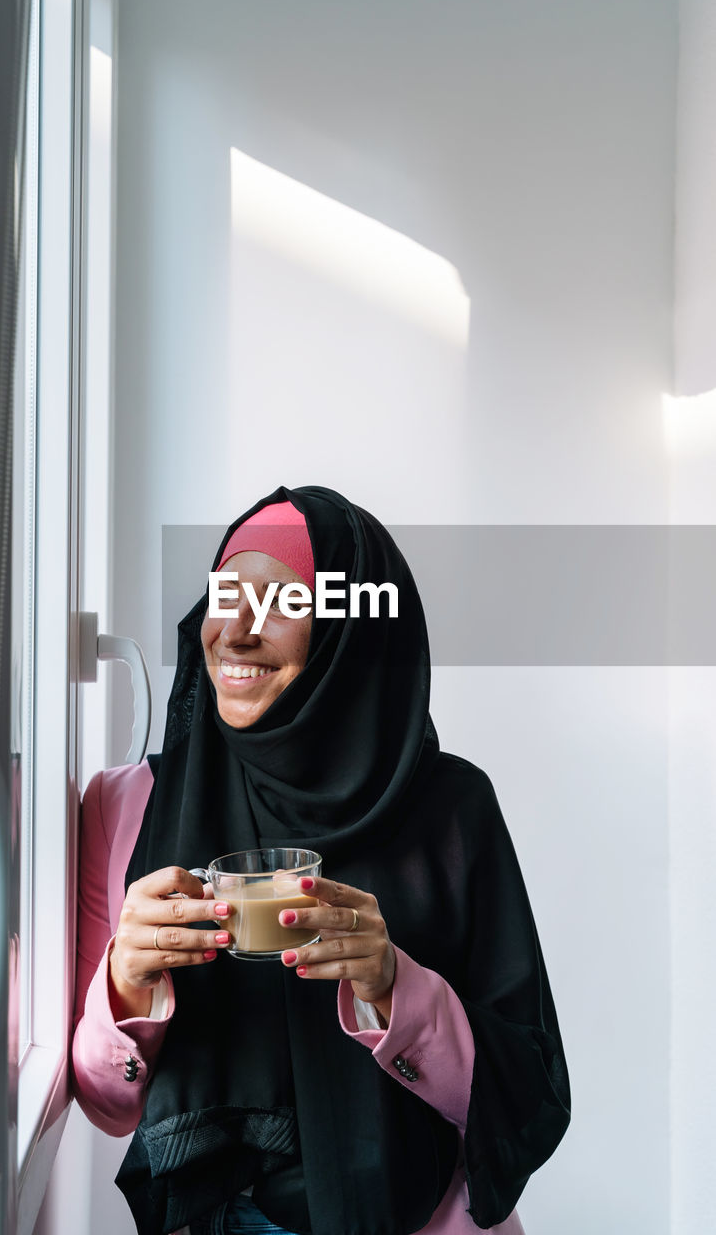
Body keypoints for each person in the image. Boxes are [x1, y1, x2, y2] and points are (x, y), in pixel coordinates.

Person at [71, 486, 570, 1235]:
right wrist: (125, 984)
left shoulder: (451, 808)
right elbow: (109, 1107)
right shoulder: (125, 805)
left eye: (277, 603)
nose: (234, 633)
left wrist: (393, 985)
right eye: (223, 596)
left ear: (349, 628)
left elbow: (525, 1097)